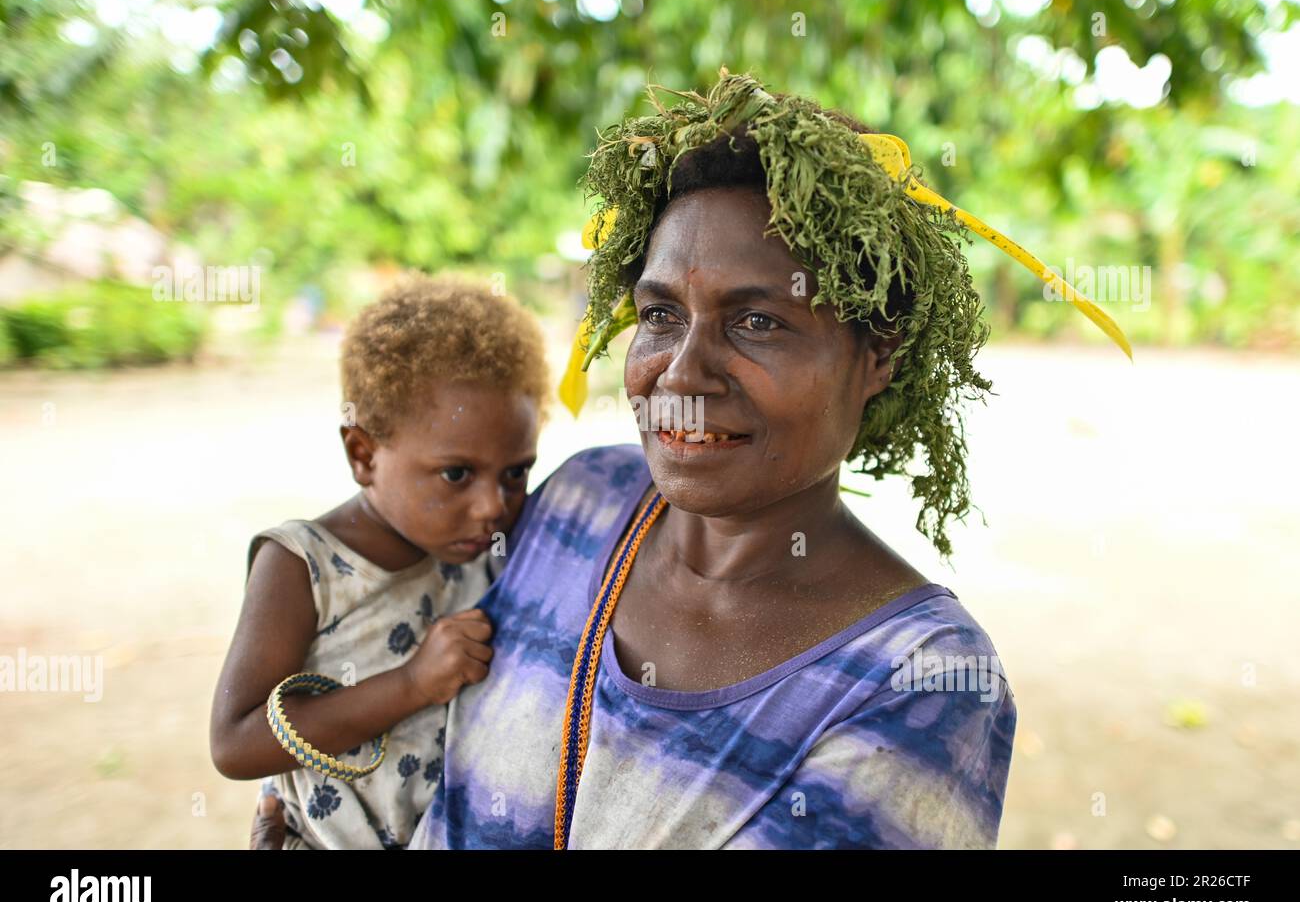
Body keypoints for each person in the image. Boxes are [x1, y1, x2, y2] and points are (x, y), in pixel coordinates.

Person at [254, 69, 1029, 849]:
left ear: (877, 356)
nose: (682, 374)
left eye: (758, 321)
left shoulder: (917, 681)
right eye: (661, 314)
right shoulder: (578, 503)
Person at [213, 272, 548, 848]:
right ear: (363, 454)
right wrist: (413, 683)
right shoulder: (303, 566)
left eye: (515, 472)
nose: (494, 505)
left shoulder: (492, 558)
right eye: (457, 474)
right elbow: (236, 742)